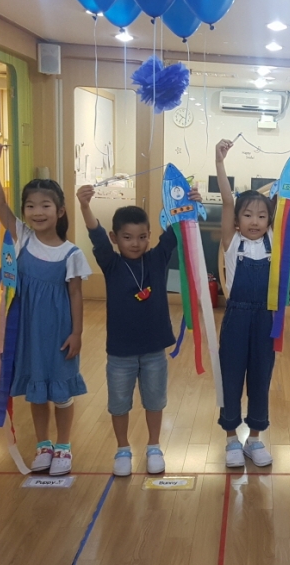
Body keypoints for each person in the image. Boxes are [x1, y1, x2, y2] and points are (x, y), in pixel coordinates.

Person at [76, 184, 202, 477]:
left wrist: (190, 203)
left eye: (142, 237)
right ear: (115, 238)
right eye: (127, 237)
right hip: (120, 353)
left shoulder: (156, 259)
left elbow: (176, 229)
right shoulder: (110, 263)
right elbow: (95, 234)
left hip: (154, 351)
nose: (135, 243)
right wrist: (84, 206)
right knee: (119, 404)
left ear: (149, 236)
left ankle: (154, 447)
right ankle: (123, 449)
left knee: (155, 401)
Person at [0, 143, 91, 476]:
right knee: (36, 392)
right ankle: (43, 445)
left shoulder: (71, 253)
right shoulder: (23, 237)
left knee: (61, 391)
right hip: (26, 332)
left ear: (60, 211)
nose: (37, 211)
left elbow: (76, 295)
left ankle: (63, 446)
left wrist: (77, 333)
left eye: (45, 205)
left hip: (58, 333)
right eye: (30, 206)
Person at [215, 138, 290, 468]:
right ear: (237, 220)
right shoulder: (232, 242)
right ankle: (232, 439)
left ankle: (255, 439)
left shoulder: (276, 240)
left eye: (261, 215)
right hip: (236, 319)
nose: (255, 221)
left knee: (261, 377)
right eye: (247, 215)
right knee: (231, 377)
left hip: (266, 320)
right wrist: (219, 163)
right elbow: (226, 201)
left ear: (270, 220)